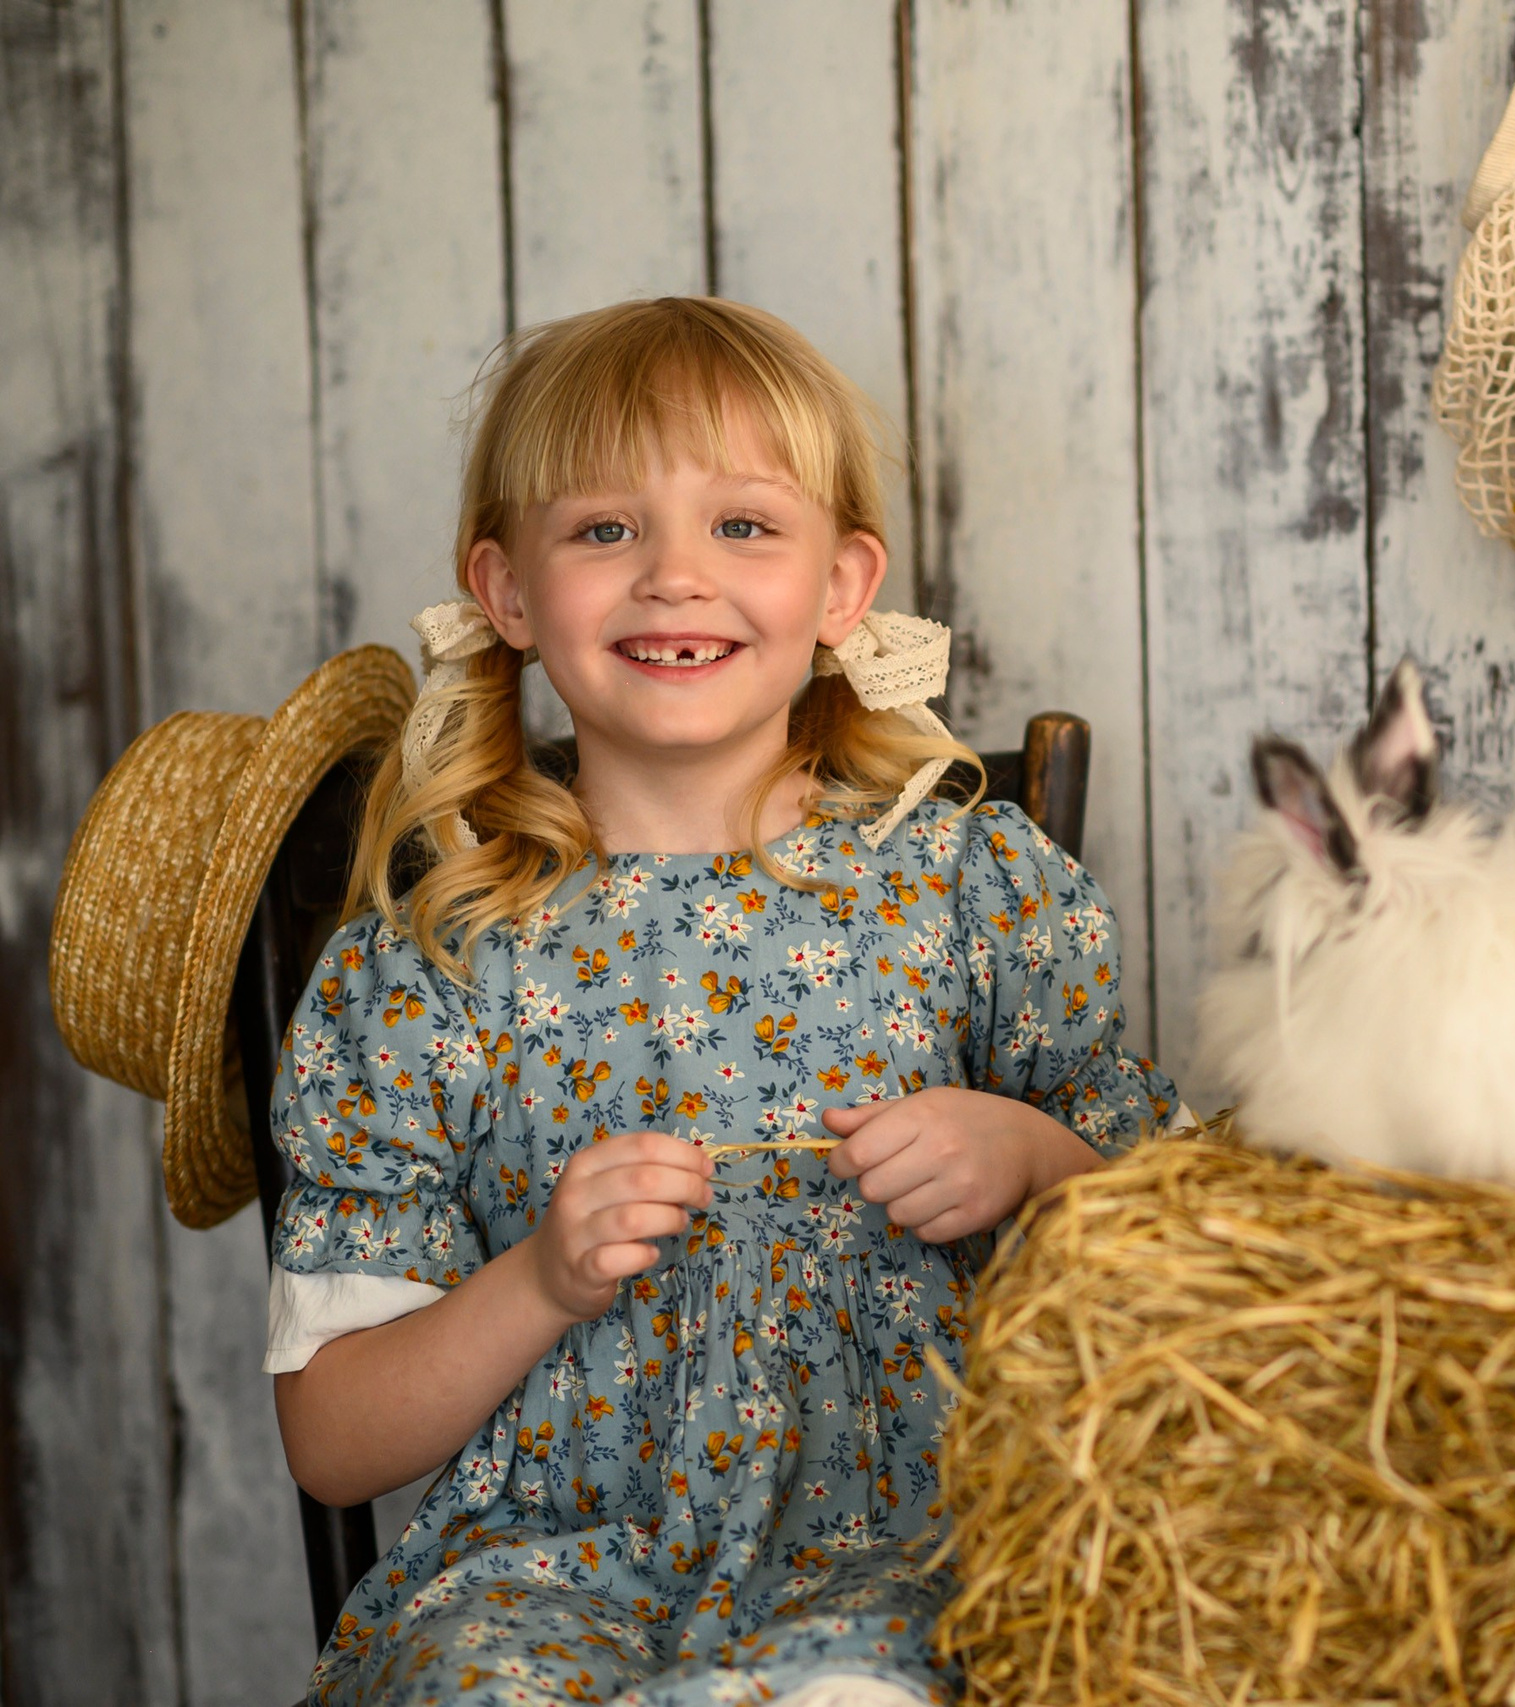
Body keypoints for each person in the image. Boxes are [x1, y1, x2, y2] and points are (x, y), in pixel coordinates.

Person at [266, 297, 1181, 1706]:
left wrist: (1035, 1159)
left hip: (927, 1542)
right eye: (605, 530)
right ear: (508, 593)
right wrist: (540, 1281)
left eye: (742, 527)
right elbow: (334, 1443)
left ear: (842, 585)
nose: (674, 578)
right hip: (548, 1566)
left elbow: (1191, 1263)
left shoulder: (961, 888)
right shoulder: (435, 960)